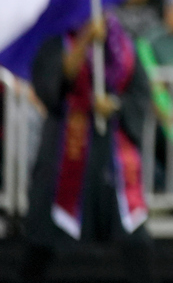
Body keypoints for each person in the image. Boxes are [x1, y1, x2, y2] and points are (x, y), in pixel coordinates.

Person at [22, 17, 156, 282]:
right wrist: (84, 42)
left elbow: (141, 95)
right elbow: (50, 88)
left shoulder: (124, 43)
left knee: (136, 241)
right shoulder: (55, 39)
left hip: (114, 154)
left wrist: (115, 105)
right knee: (42, 242)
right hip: (62, 153)